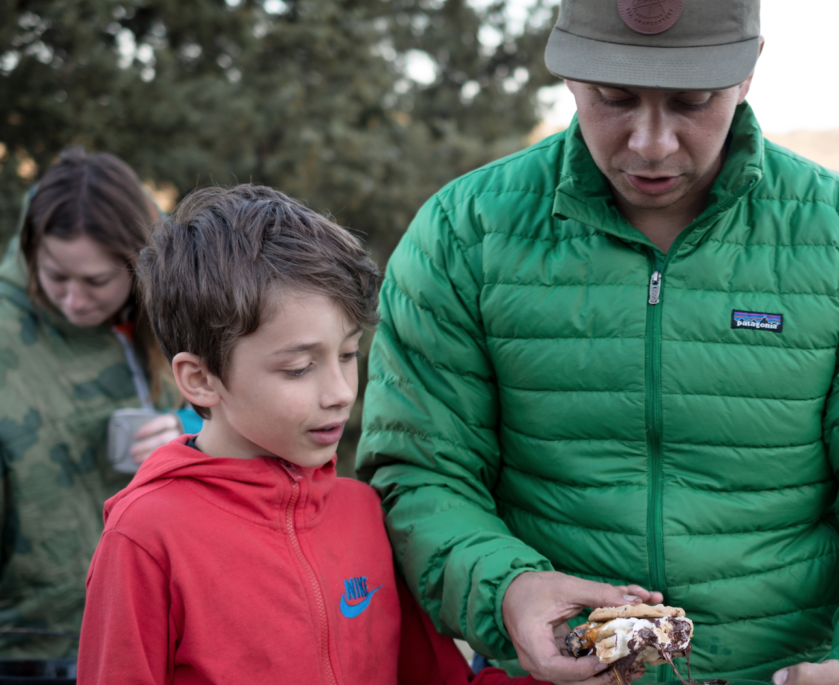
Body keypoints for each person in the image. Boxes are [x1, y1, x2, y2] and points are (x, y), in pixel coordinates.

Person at [356, 1, 839, 684]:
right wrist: (505, 591)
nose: (651, 143)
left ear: (748, 73)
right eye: (614, 98)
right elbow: (419, 472)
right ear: (567, 73)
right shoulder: (463, 236)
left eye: (692, 101)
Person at [76, 184, 547, 685]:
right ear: (200, 379)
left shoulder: (364, 513)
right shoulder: (146, 536)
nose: (341, 392)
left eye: (347, 355)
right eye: (300, 368)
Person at [0, 149, 198, 658]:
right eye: (54, 275)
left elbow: (236, 411)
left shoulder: (175, 311)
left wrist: (186, 429)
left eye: (95, 282)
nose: (73, 299)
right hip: (31, 645)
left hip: (155, 623)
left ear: (137, 265)